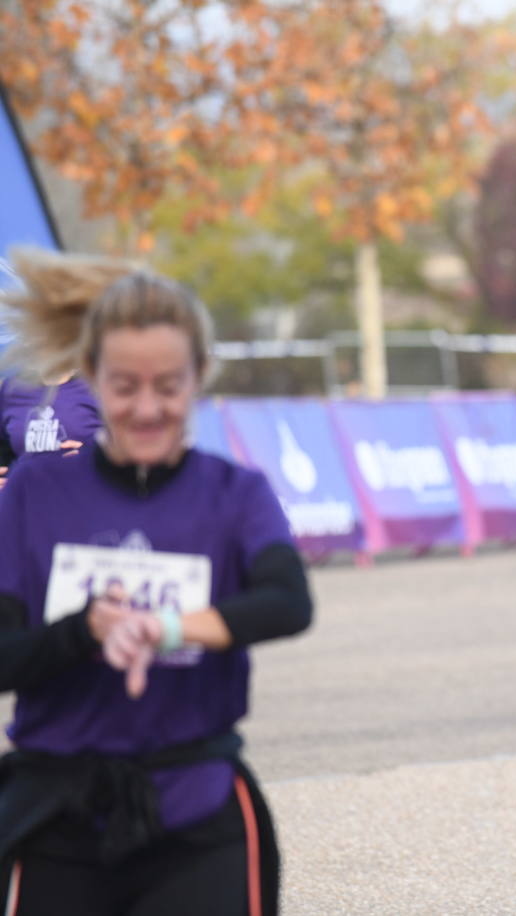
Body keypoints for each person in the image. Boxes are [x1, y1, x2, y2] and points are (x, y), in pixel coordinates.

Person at [0, 251, 313, 915]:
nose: (146, 408)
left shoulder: (233, 495)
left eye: (168, 386)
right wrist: (83, 631)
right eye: (123, 386)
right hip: (56, 821)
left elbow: (288, 602)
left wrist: (164, 627)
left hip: (197, 818)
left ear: (199, 378)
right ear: (91, 377)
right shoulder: (32, 493)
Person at [0, 251, 127, 488]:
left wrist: (97, 460)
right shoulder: (10, 391)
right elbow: (5, 453)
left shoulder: (104, 386)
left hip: (88, 514)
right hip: (27, 516)